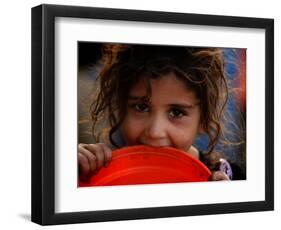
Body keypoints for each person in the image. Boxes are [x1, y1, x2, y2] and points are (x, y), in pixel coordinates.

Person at [78, 44, 234, 182]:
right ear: (121, 107)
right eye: (141, 107)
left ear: (203, 119)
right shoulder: (100, 172)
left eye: (176, 112)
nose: (155, 132)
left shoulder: (227, 180)